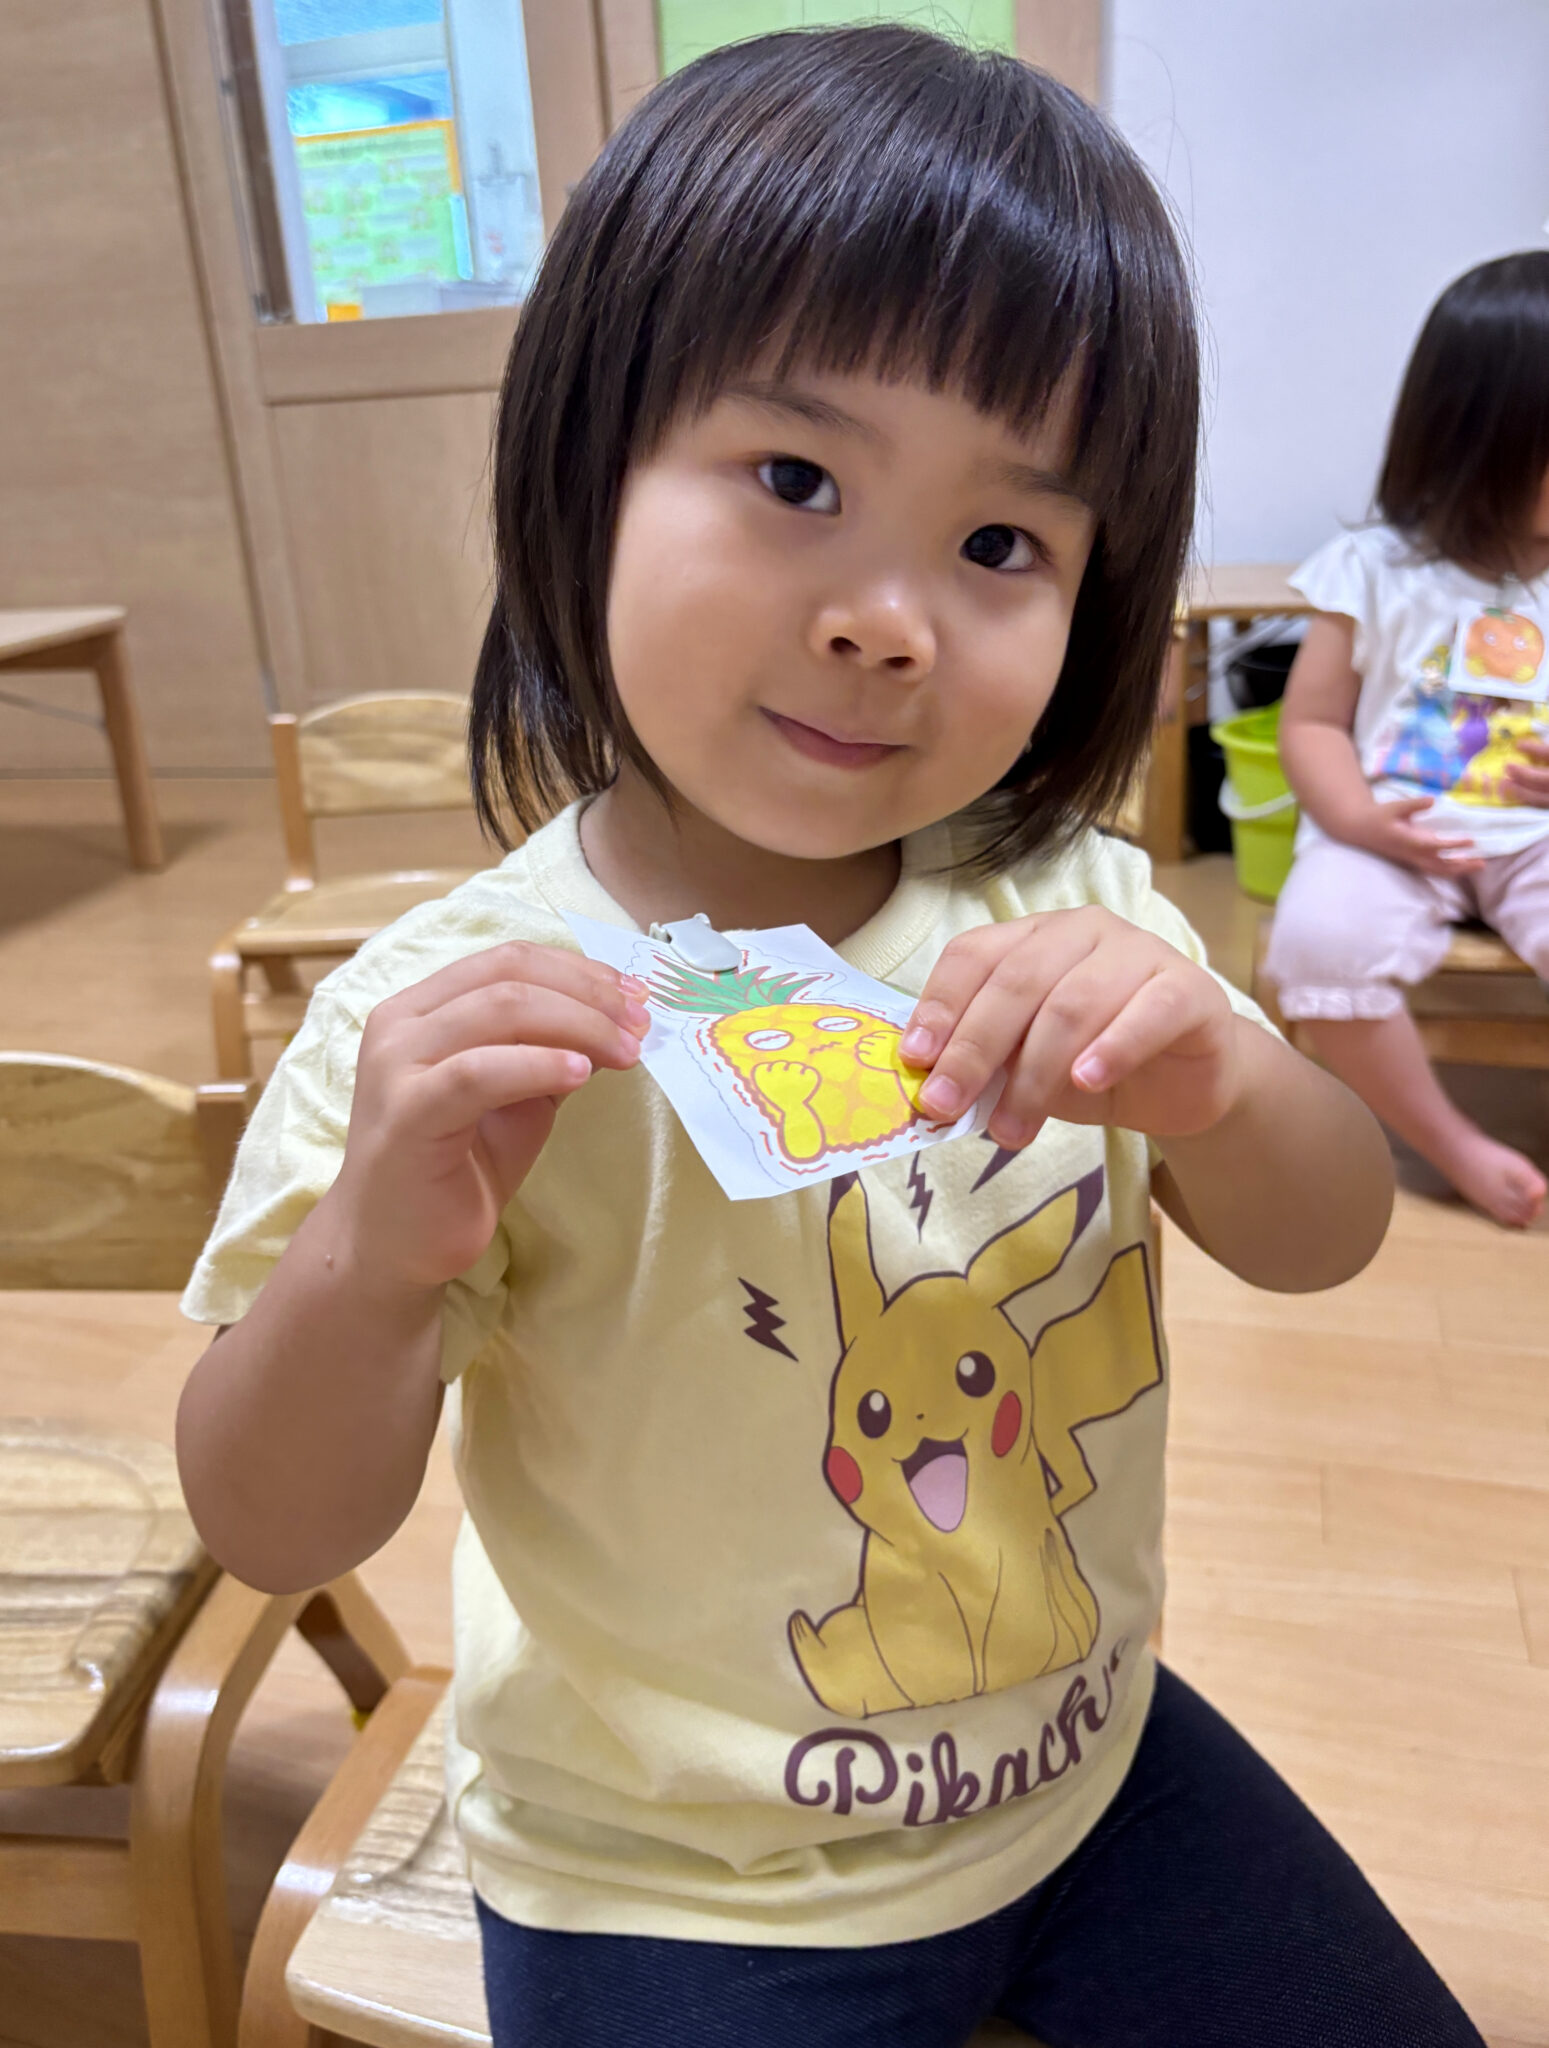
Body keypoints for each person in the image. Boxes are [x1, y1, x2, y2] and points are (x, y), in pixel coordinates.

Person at [175, 28, 1474, 2047]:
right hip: (669, 1873)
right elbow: (272, 1522)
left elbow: (1323, 1234)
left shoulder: (1073, 906)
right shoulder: (439, 1021)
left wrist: (1221, 1082)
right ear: (585, 465)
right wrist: (367, 1261)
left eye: (1000, 545)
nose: (889, 618)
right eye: (794, 480)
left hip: (1086, 1768)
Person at [1266, 252, 1549, 1228]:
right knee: (1314, 945)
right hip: (1390, 831)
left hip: (1536, 837)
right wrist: (1358, 821)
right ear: (1477, 438)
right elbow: (1310, 722)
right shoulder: (1370, 570)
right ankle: (1451, 1143)